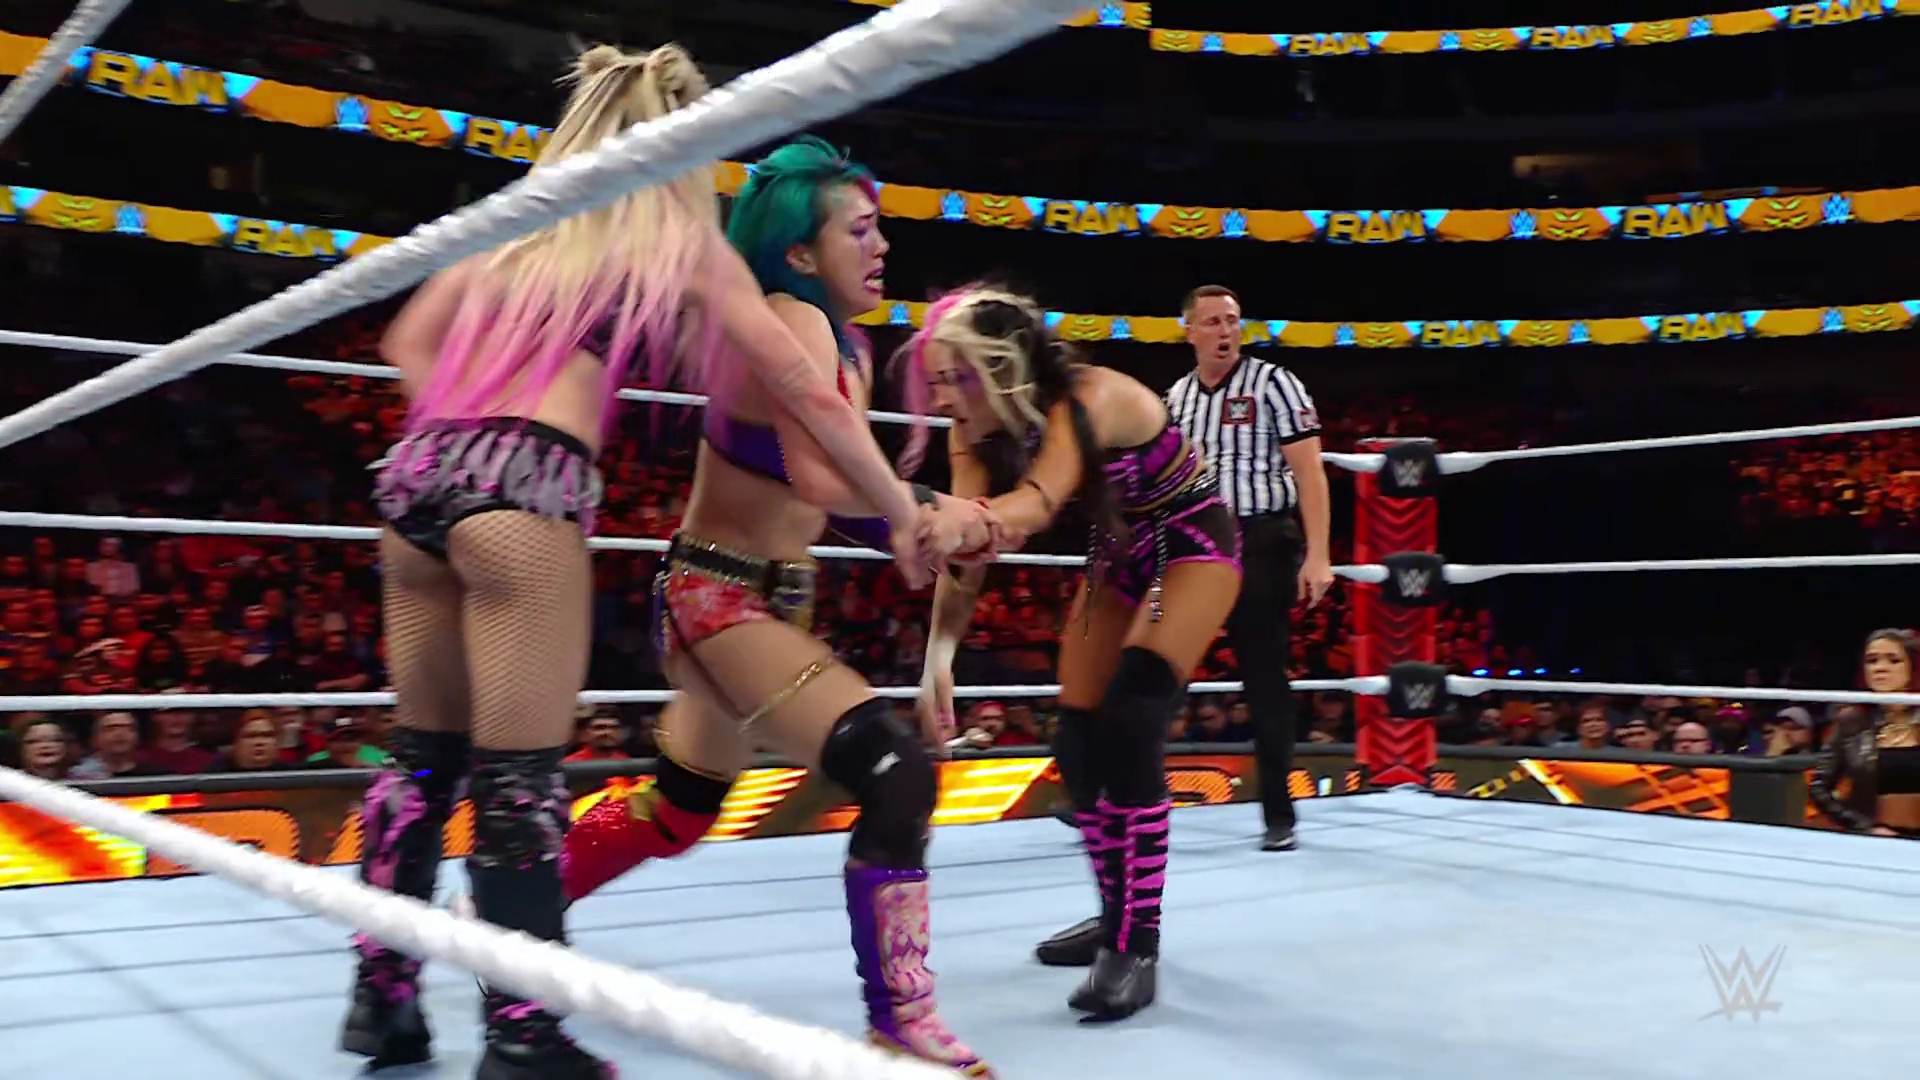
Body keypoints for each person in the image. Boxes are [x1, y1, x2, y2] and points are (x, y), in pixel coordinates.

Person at [342, 50, 954, 1080]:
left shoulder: (517, 220)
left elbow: (408, 344)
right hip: (522, 483)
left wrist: (466, 428)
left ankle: (383, 997)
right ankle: (523, 1037)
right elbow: (806, 392)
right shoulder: (670, 229)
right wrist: (901, 511)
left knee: (421, 760)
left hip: (418, 475)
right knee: (517, 780)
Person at [556, 137, 1002, 1075]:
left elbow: (823, 495)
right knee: (897, 775)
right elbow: (820, 476)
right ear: (801, 252)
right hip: (720, 601)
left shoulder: (833, 335)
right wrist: (932, 510)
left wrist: (927, 524)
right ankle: (902, 1020)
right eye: (860, 230)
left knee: (680, 810)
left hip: (741, 599)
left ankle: (513, 907)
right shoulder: (793, 318)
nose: (881, 246)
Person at [903, 284, 1243, 1022]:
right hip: (1118, 557)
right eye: (936, 381)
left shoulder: (1089, 398)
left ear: (1002, 371)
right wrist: (938, 661)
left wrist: (953, 515)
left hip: (1186, 548)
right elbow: (969, 558)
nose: (941, 398)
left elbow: (1032, 504)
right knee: (1078, 738)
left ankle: (1137, 944)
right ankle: (1114, 913)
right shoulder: (970, 430)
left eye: (954, 379)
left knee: (1132, 716)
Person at [1163, 284, 1331, 852]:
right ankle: (1114, 793)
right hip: (1198, 543)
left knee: (1263, 677)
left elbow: (1310, 473)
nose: (1225, 331)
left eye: (1232, 320)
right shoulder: (1176, 399)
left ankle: (1279, 813)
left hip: (1262, 539)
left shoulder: (1275, 383)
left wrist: (1319, 553)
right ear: (1189, 331)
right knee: (1156, 664)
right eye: (1211, 321)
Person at [1809, 628, 1920, 837]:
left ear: (1913, 667)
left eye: (1894, 660)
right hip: (1876, 840)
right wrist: (1863, 826)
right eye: (1872, 661)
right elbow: (1819, 789)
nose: (1880, 668)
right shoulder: (1852, 721)